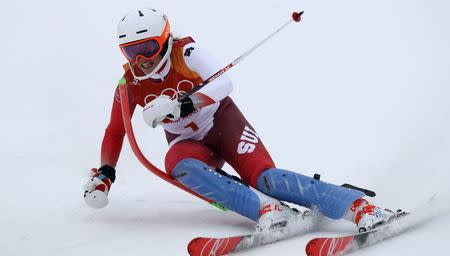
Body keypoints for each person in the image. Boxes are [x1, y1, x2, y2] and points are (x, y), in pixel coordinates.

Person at [84, 8, 397, 233]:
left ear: (165, 40)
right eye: (131, 52)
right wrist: (106, 174)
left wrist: (184, 105)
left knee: (266, 180)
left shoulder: (187, 53)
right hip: (189, 143)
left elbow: (224, 84)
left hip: (224, 124)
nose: (142, 60)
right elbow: (115, 131)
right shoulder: (130, 85)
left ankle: (358, 206)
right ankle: (266, 210)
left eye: (148, 48)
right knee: (176, 163)